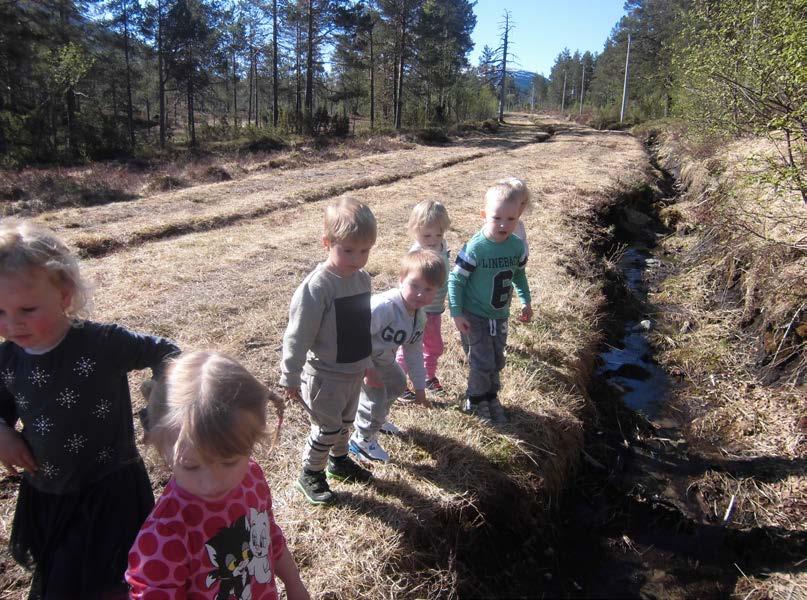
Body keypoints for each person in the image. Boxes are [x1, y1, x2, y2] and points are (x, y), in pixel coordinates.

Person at [0, 219, 180, 599]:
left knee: (115, 581)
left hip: (110, 490)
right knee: (61, 580)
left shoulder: (100, 343)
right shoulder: (8, 359)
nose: (12, 324)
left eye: (26, 309)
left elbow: (166, 352)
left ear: (64, 294)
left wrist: (160, 411)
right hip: (49, 491)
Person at [126, 351, 309, 600]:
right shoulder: (165, 535)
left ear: (251, 443)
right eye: (191, 466)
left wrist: (294, 583)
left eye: (228, 461)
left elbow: (269, 535)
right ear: (162, 449)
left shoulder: (251, 478)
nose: (211, 483)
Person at [280, 197, 376, 506]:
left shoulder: (362, 279)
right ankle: (311, 473)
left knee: (345, 424)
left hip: (353, 371)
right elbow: (298, 334)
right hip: (325, 375)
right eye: (348, 250)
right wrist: (290, 376)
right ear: (327, 243)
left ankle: (339, 461)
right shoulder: (317, 287)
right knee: (327, 428)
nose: (357, 258)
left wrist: (368, 362)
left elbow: (362, 325)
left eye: (364, 251)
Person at [448, 183, 533, 425]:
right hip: (474, 314)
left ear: (519, 216)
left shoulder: (517, 247)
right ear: (484, 216)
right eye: (496, 218)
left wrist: (526, 300)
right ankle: (474, 399)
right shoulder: (476, 247)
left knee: (497, 359)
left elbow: (518, 274)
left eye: (511, 218)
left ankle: (491, 396)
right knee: (481, 359)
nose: (504, 224)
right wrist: (456, 312)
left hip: (500, 315)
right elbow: (456, 280)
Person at [350, 250, 444, 463]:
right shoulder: (385, 307)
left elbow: (413, 353)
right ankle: (361, 440)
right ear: (401, 280)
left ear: (437, 291)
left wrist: (420, 389)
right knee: (374, 397)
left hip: (381, 358)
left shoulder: (419, 316)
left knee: (397, 383)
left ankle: (378, 420)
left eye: (428, 289)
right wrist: (367, 369)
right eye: (414, 286)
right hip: (357, 354)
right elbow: (355, 333)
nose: (420, 294)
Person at [396, 200, 452, 400]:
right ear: (415, 231)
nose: (433, 239)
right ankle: (398, 382)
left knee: (434, 345)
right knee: (409, 345)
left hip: (435, 308)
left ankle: (428, 376)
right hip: (416, 310)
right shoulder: (416, 255)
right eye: (427, 235)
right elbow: (405, 283)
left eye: (438, 234)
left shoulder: (443, 247)